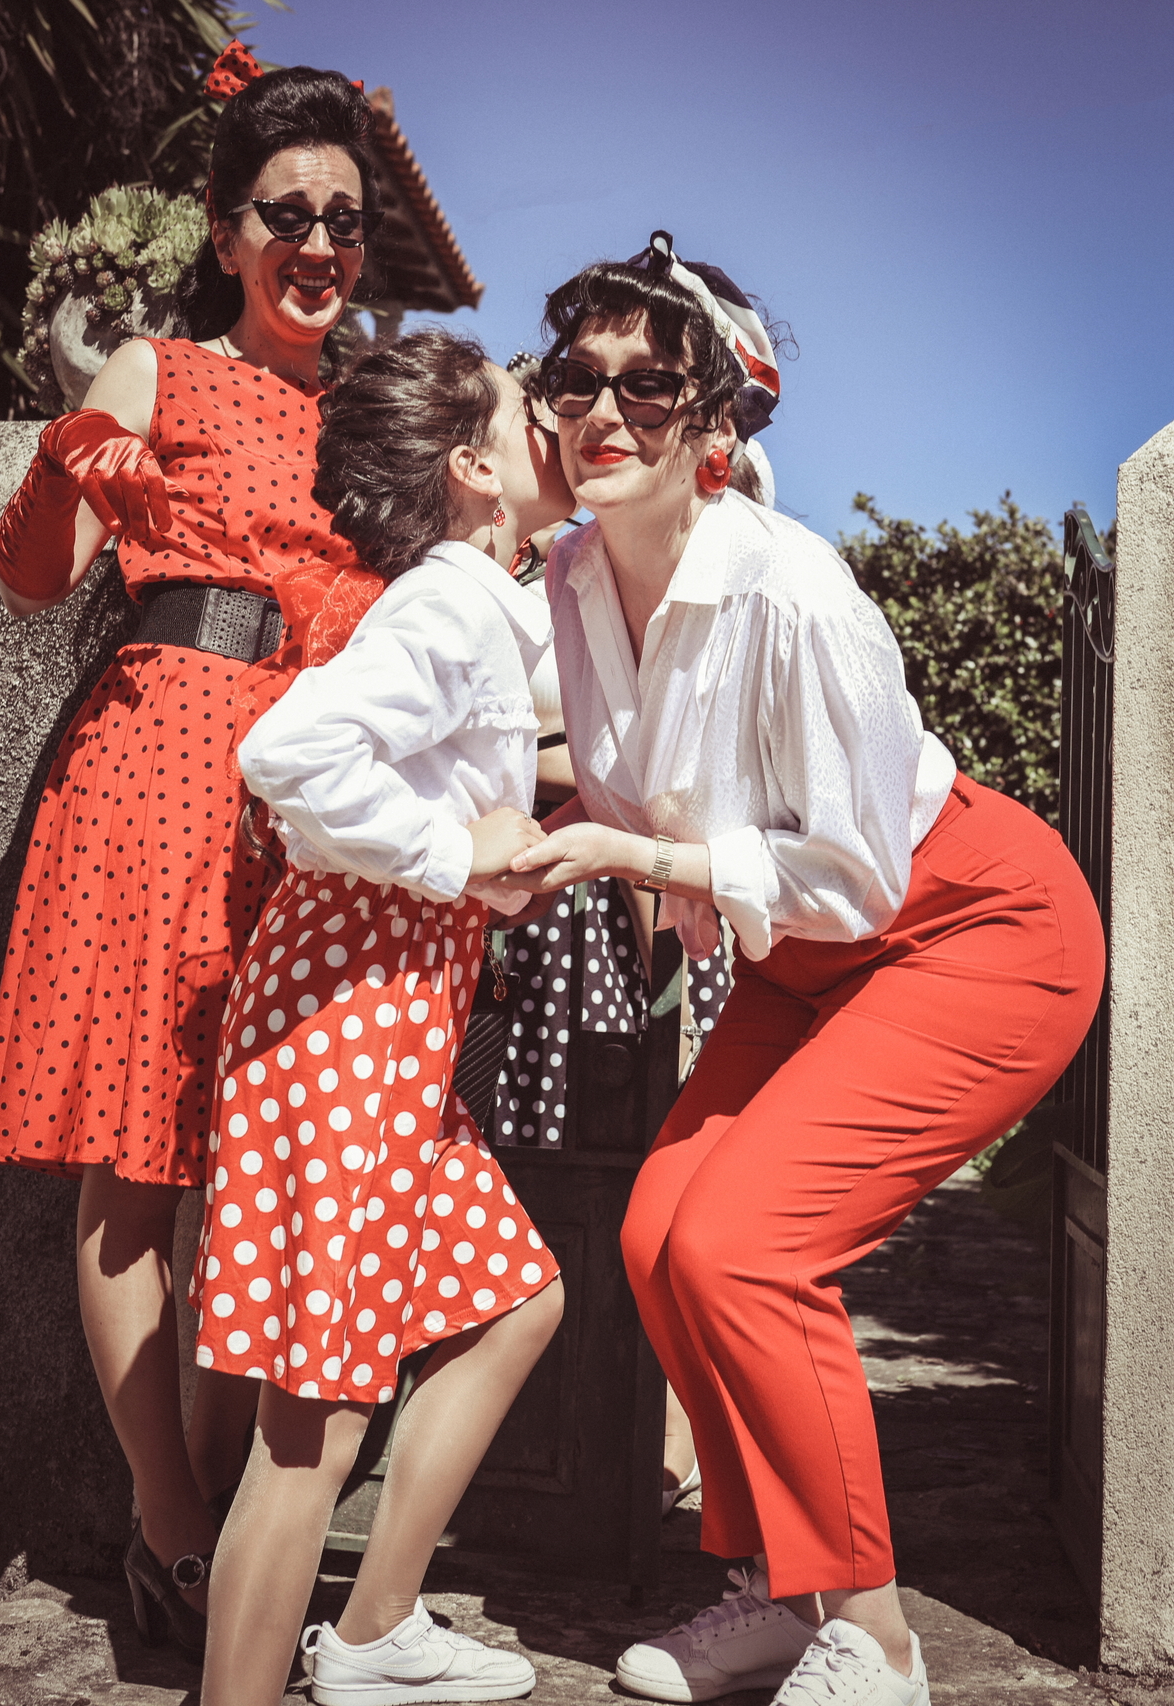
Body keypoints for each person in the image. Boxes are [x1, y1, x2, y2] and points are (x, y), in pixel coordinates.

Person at [504, 233, 1105, 1706]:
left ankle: (877, 1638)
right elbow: (606, 773)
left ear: (713, 425)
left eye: (649, 386)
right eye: (578, 378)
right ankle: (782, 1592)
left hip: (970, 927)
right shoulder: (572, 572)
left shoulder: (795, 592)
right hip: (806, 951)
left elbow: (856, 872)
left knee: (748, 1246)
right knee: (660, 1235)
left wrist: (629, 853)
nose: (604, 411)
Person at [0, 43, 383, 1658]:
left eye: (343, 218)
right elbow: (30, 581)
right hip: (156, 778)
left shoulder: (375, 418)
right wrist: (72, 441)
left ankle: (213, 1539)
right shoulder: (157, 369)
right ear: (226, 231)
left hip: (308, 808)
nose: (318, 243)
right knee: (134, 1167)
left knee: (260, 1171)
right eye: (286, 212)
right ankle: (173, 1529)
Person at [193, 327, 570, 1706]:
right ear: (474, 465)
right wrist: (454, 855)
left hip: (388, 1023)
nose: (563, 417)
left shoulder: (490, 604)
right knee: (313, 1429)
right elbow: (286, 750)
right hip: (347, 1023)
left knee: (515, 1300)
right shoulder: (449, 608)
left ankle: (371, 1634)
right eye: (532, 409)